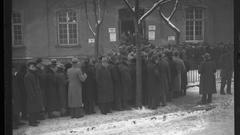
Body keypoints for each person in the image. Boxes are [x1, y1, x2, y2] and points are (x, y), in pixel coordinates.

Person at [24, 61, 44, 126]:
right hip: (32, 95)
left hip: (36, 93)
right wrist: (32, 95)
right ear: (29, 67)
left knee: (35, 108)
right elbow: (29, 87)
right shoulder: (28, 75)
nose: (34, 68)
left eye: (34, 66)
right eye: (32, 67)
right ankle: (31, 121)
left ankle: (34, 120)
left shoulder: (33, 74)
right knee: (32, 108)